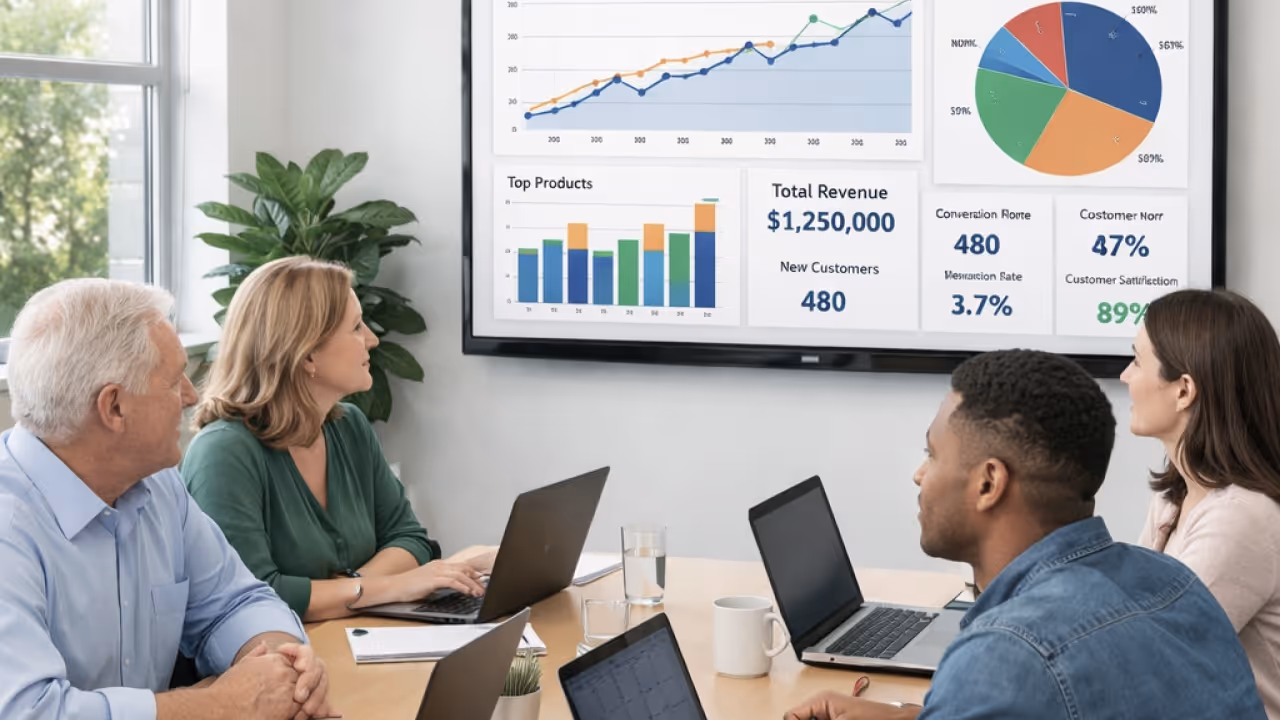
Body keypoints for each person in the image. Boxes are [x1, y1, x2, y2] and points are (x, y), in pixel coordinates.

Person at [785, 349, 1265, 720]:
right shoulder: (1173, 582)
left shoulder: (1006, 654)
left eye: (932, 454)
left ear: (988, 483)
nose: (919, 475)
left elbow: (1028, 679)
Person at [0, 278, 335, 720]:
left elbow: (236, 602)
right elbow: (29, 712)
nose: (192, 397)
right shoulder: (9, 527)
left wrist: (281, 662)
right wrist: (219, 705)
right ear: (114, 407)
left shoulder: (158, 485)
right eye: (175, 380)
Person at [182, 257, 487, 622]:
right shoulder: (223, 453)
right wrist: (389, 587)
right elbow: (253, 597)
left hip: (357, 636)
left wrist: (351, 588)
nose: (372, 339)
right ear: (306, 353)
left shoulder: (350, 425)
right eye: (356, 327)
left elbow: (410, 540)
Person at [1123, 289, 1280, 718]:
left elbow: (1147, 658)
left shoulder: (1241, 517)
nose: (1125, 375)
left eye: (1136, 360)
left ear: (1184, 390)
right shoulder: (1174, 497)